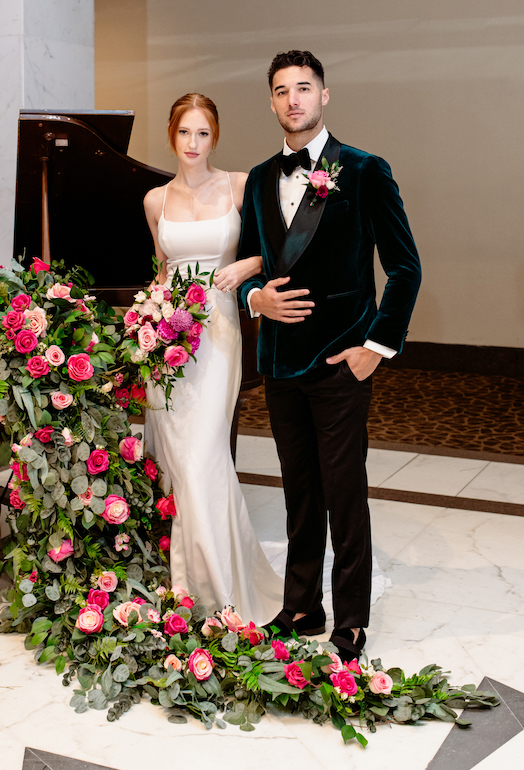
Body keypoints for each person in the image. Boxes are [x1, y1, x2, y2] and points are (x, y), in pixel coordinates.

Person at [237, 51, 422, 661]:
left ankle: (352, 620)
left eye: (305, 88)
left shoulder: (365, 171)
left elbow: (405, 268)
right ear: (271, 101)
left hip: (342, 363)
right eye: (282, 90)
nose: (294, 99)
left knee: (345, 494)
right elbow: (247, 264)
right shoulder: (261, 177)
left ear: (324, 96)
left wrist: (377, 346)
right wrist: (253, 298)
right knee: (299, 492)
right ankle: (301, 608)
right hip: (279, 364)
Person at [143, 93, 284, 625]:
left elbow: (277, 246)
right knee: (183, 464)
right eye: (185, 134)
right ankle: (190, 587)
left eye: (203, 134)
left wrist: (245, 266)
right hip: (165, 343)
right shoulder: (155, 201)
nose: (194, 144)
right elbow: (160, 272)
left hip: (220, 331)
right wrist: (145, 323)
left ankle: (218, 594)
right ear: (171, 136)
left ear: (215, 137)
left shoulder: (241, 185)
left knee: (203, 454)